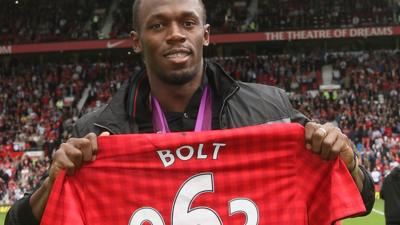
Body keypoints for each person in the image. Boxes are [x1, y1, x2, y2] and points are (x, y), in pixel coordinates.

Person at [5, 0, 375, 224]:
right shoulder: (99, 131)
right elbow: (23, 223)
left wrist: (347, 160)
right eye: (157, 25)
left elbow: (361, 201)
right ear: (136, 41)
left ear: (206, 34)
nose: (175, 34)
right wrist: (56, 184)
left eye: (187, 22)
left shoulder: (271, 111)